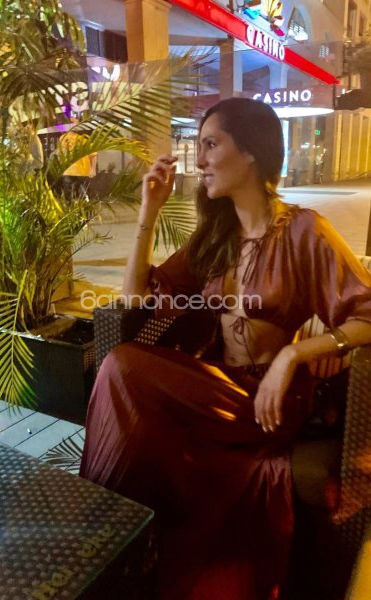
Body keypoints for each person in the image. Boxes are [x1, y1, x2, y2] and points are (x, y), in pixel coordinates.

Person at [79, 98, 371, 600]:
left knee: (123, 368)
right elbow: (135, 299)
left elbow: (366, 313)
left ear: (251, 152)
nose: (200, 160)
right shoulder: (216, 236)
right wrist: (149, 210)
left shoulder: (304, 230)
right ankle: (116, 538)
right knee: (122, 371)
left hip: (268, 403)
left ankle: (105, 534)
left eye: (211, 145)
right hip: (215, 390)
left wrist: (294, 354)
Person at [57, 117, 97, 202]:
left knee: (81, 193)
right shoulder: (63, 138)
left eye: (76, 123)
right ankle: (73, 207)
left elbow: (93, 154)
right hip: (68, 171)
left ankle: (84, 204)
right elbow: (59, 154)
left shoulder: (83, 138)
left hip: (81, 171)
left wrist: (93, 169)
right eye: (72, 123)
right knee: (69, 195)